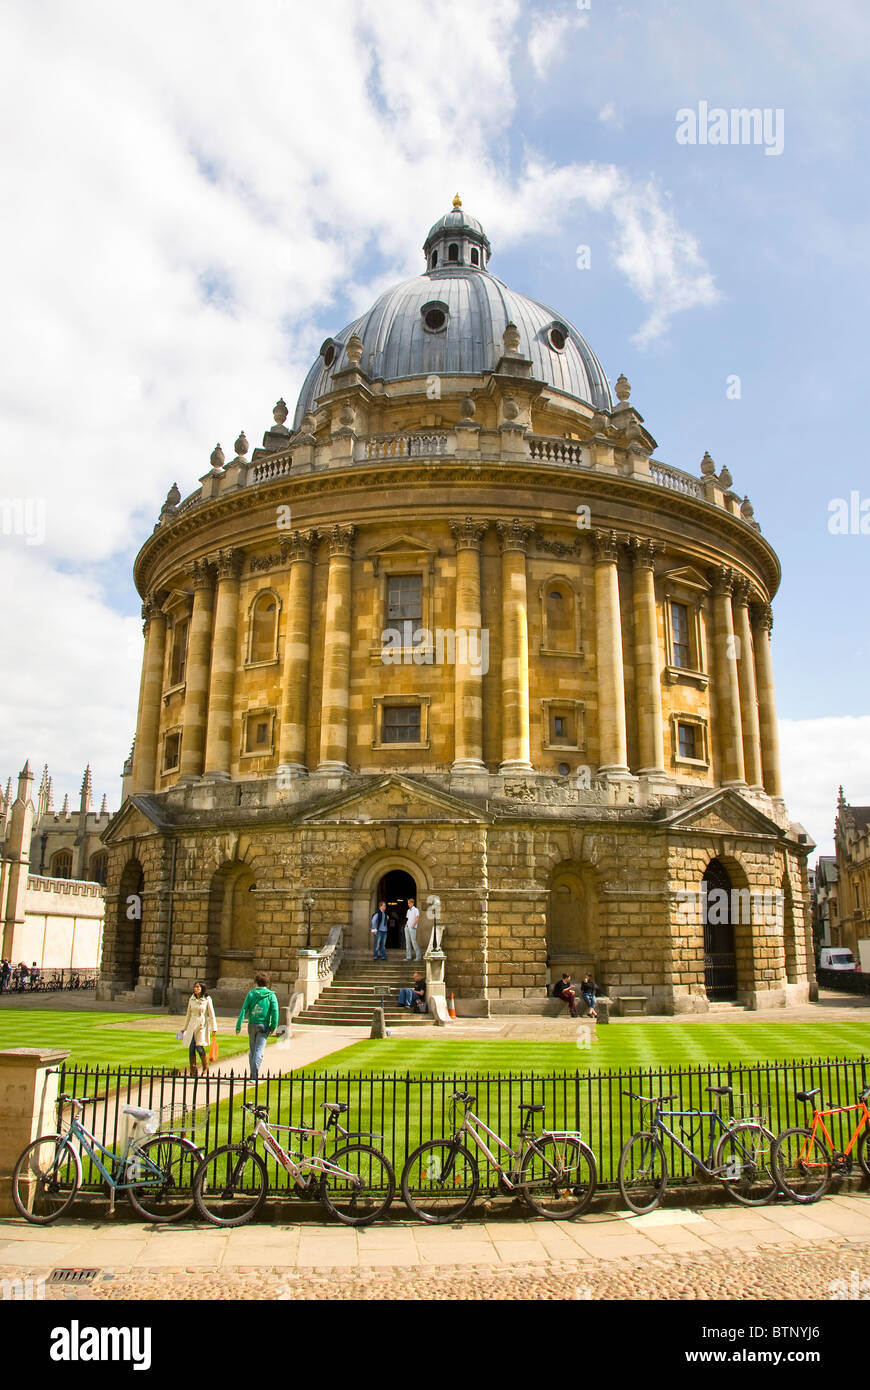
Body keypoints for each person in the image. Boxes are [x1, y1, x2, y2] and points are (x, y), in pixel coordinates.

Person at [235, 972, 280, 1080]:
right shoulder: (271, 995)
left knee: (253, 1050)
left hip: (252, 1024)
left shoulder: (251, 994)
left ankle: (252, 1074)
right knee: (259, 1051)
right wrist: (273, 1026)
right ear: (267, 982)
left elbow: (244, 1009)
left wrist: (238, 1025)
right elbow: (275, 1012)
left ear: (256, 981)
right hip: (263, 1025)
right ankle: (254, 1076)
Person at [182, 981, 217, 1074]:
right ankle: (193, 1069)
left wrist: (214, 1028)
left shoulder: (207, 999)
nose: (196, 989)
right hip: (192, 1025)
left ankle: (205, 1066)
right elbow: (188, 1014)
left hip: (202, 1025)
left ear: (202, 988)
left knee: (199, 1047)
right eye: (195, 987)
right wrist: (184, 1028)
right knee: (191, 1048)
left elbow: (211, 1014)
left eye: (198, 987)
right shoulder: (191, 999)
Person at [404, 897, 422, 962]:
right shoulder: (408, 910)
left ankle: (418, 956)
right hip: (407, 927)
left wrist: (413, 925)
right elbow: (408, 919)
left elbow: (417, 918)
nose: (408, 904)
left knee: (414, 942)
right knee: (407, 942)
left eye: (409, 903)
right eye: (408, 903)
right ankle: (408, 956)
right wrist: (406, 926)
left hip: (412, 928)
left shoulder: (416, 910)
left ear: (412, 903)